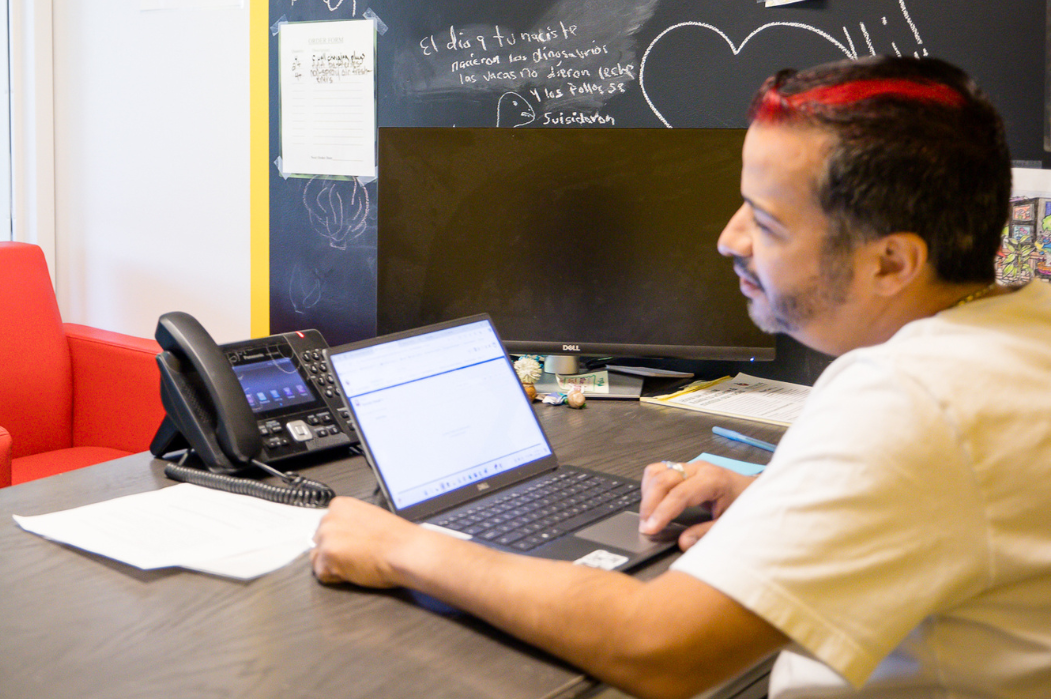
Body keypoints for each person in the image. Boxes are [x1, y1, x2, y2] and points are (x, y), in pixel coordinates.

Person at [311, 56, 1051, 699]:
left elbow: (661, 648)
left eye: (767, 221)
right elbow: (951, 501)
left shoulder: (910, 398)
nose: (727, 238)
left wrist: (403, 548)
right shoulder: (1023, 326)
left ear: (891, 263)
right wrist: (781, 501)